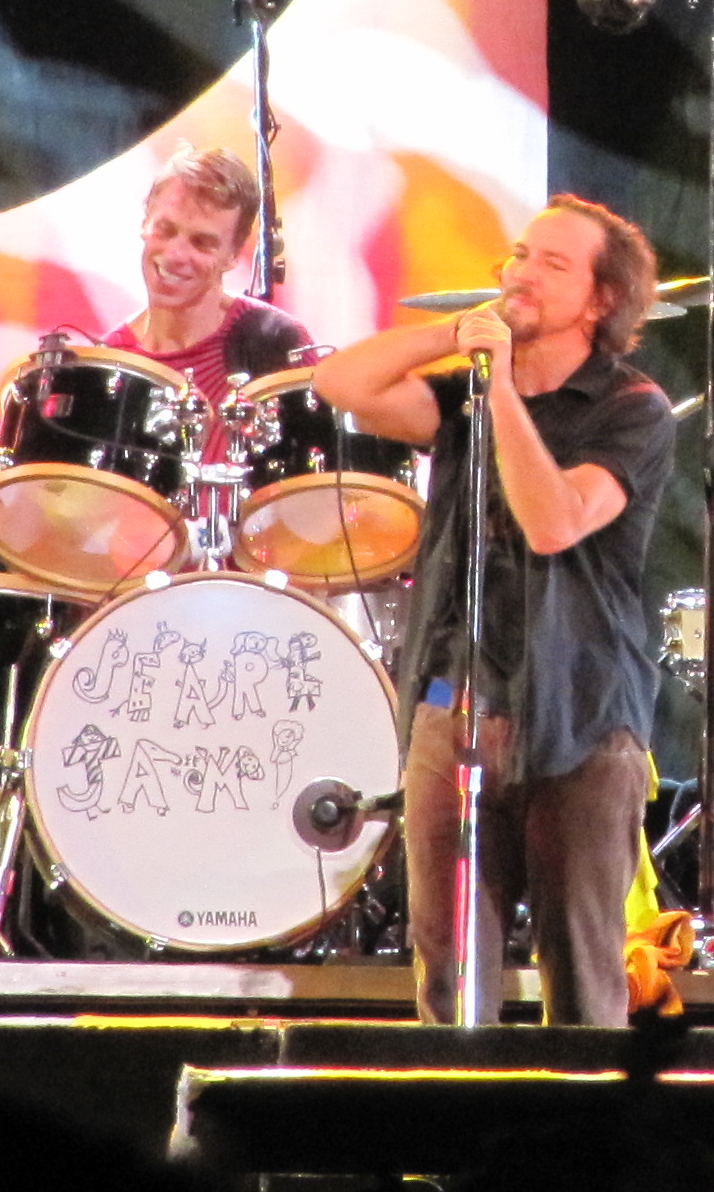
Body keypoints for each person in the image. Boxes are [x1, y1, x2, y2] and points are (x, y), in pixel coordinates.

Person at [313, 197, 675, 1024]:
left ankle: (586, 1114)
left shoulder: (631, 409)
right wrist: (456, 336)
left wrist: (501, 390)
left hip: (579, 718)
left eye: (552, 263)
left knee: (580, 975)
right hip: (456, 709)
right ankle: (456, 1107)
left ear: (601, 300)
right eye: (518, 255)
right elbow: (340, 384)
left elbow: (553, 523)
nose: (521, 273)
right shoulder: (461, 397)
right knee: (446, 973)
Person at [101, 142, 314, 389]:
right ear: (145, 222)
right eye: (165, 230)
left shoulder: (279, 346)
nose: (175, 255)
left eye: (201, 243)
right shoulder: (108, 363)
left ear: (233, 255)